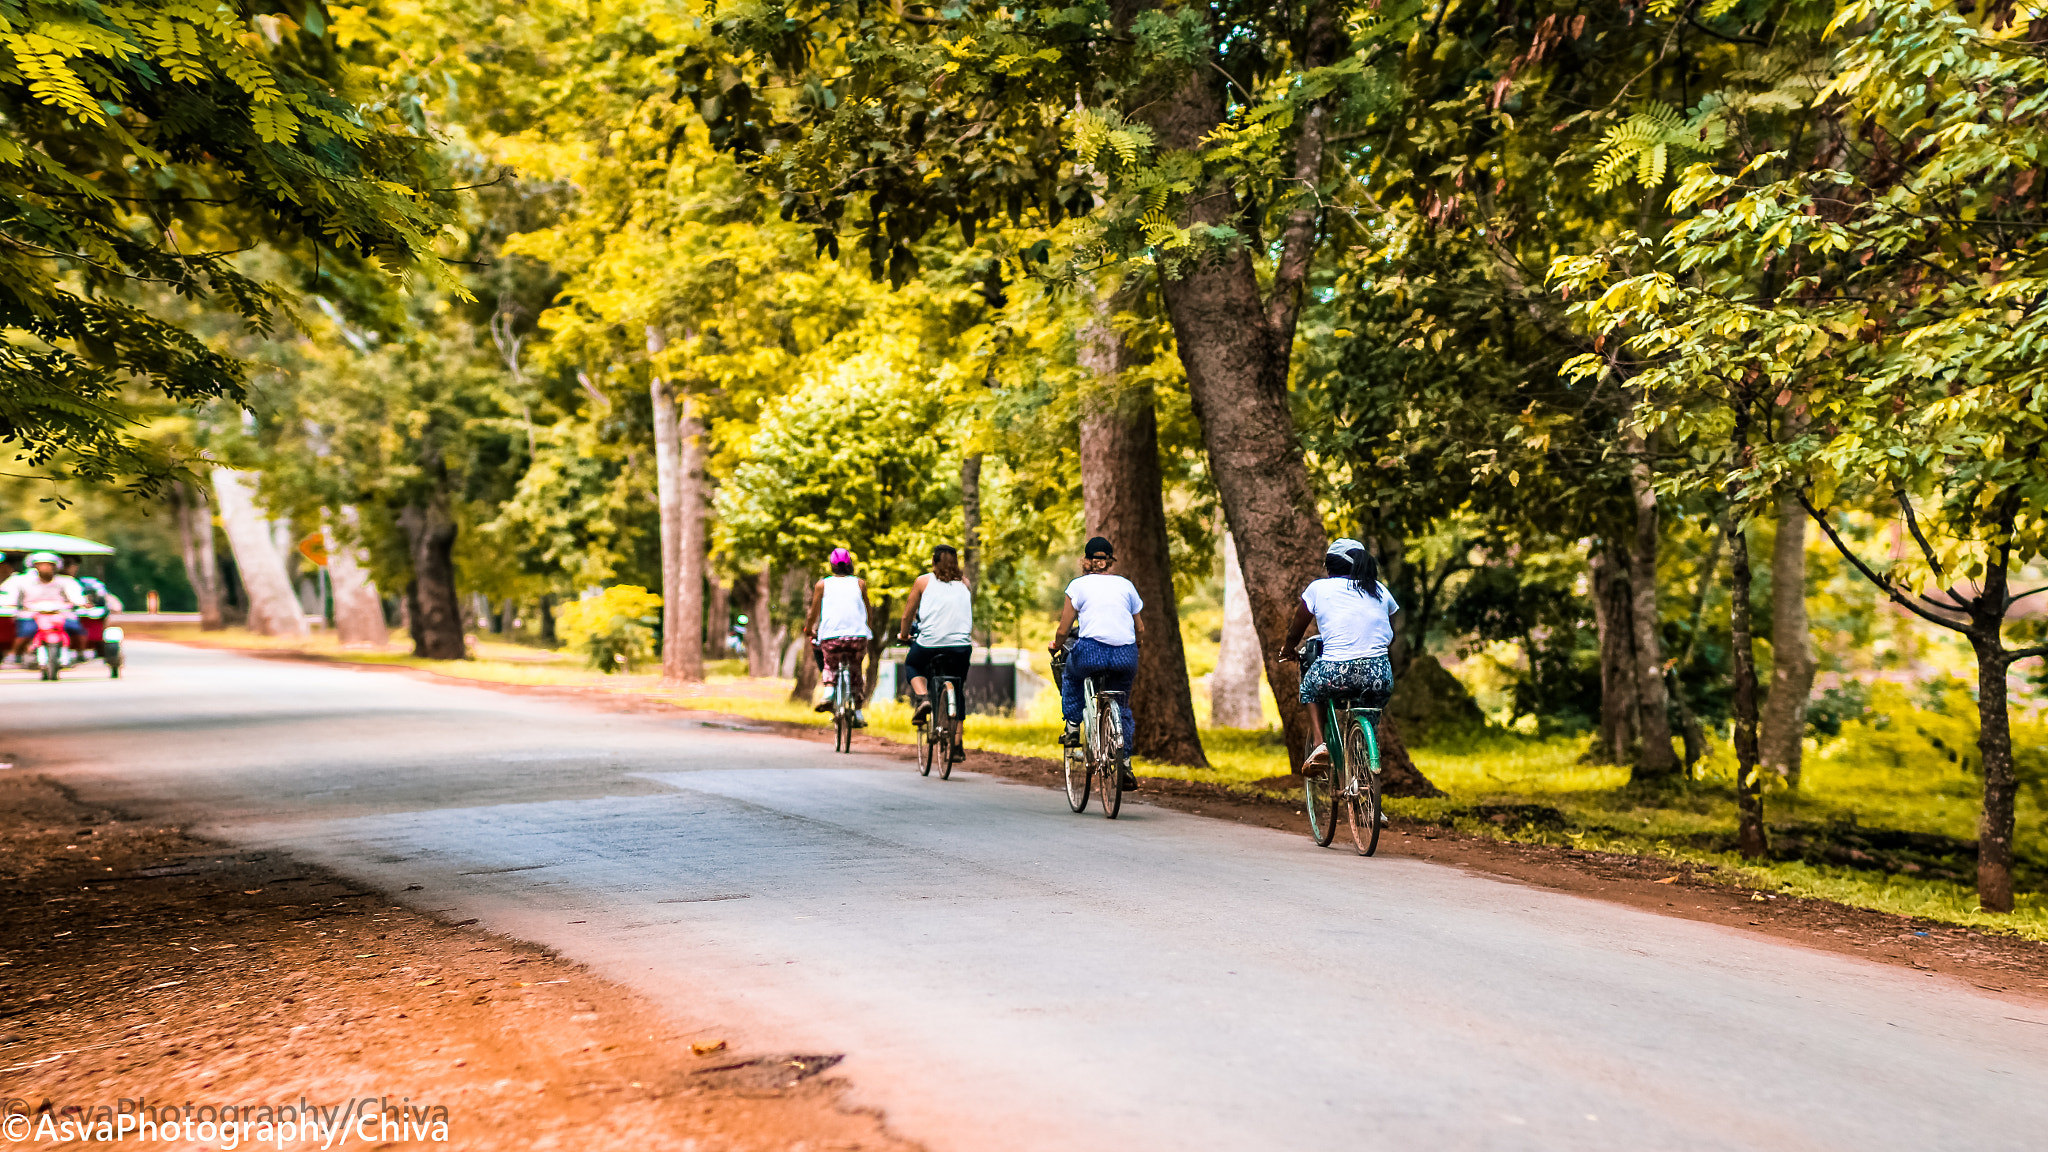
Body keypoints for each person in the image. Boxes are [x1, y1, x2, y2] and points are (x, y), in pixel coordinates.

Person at [1279, 539, 1399, 773]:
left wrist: (1287, 649)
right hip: (1380, 675)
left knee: (1310, 686)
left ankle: (1318, 744)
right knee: (1368, 715)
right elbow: (1389, 633)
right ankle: (1365, 777)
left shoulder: (1319, 588)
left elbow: (1296, 630)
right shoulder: (1380, 590)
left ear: (1329, 567)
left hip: (1336, 673)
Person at [1048, 535, 1142, 792]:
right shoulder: (1126, 585)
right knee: (1121, 704)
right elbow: (1140, 627)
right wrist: (1136, 646)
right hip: (1125, 654)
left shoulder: (1077, 586)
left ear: (1087, 561)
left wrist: (1056, 645)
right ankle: (1124, 761)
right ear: (1110, 561)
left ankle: (1073, 726)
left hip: (1091, 651)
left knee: (1071, 674)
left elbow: (1064, 628)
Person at [897, 544, 974, 762]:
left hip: (929, 645)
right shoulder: (965, 583)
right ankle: (957, 745)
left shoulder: (923, 581)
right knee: (957, 688)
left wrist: (904, 635)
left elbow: (907, 616)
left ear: (934, 562)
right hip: (961, 646)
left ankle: (923, 699)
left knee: (912, 664)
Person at [804, 547, 872, 726]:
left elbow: (813, 613)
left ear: (832, 565)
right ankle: (858, 713)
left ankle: (828, 692)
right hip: (857, 636)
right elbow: (867, 609)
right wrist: (867, 628)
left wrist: (809, 629)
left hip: (831, 636)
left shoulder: (822, 584)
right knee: (856, 669)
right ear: (850, 564)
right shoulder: (860, 583)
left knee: (830, 663)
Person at [1, 551, 88, 663]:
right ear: (34, 566)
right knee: (26, 632)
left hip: (60, 614)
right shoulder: (21, 581)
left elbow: (76, 597)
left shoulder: (66, 581)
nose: (45, 568)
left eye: (49, 565)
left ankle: (81, 653)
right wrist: (9, 603)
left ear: (55, 566)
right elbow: (9, 595)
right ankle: (15, 653)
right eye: (41, 565)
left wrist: (81, 603)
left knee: (77, 630)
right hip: (31, 614)